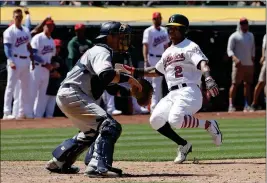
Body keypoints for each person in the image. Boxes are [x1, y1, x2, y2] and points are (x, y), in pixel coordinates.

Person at [120, 14, 222, 164]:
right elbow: (157, 70)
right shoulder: (167, 51)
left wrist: (208, 78)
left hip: (190, 91)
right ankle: (184, 145)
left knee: (175, 119)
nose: (171, 31)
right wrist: (135, 71)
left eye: (175, 28)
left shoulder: (190, 46)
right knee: (155, 120)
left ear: (184, 30)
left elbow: (202, 63)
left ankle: (209, 124)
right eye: (169, 28)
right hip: (172, 93)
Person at [45, 21, 142, 176]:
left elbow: (109, 86)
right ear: (109, 37)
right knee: (110, 125)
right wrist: (129, 79)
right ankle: (97, 166)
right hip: (73, 93)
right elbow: (106, 75)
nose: (123, 40)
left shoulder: (99, 51)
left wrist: (130, 93)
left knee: (91, 132)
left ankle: (59, 162)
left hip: (68, 94)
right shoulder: (102, 51)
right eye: (120, 36)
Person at [2, 8, 32, 120]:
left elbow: (29, 46)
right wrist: (10, 61)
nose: (18, 18)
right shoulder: (9, 31)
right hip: (15, 60)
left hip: (25, 60)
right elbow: (7, 48)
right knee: (10, 87)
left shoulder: (25, 30)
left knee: (25, 88)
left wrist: (32, 60)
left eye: (20, 17)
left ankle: (22, 112)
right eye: (16, 17)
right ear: (13, 18)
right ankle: (6, 112)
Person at [142, 12, 169, 113]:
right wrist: (145, 59)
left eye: (158, 18)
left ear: (160, 19)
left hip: (161, 59)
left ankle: (154, 106)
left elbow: (166, 46)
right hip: (151, 57)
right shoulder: (148, 31)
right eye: (155, 18)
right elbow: (145, 46)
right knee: (146, 83)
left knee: (157, 83)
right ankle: (145, 105)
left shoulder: (164, 30)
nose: (156, 20)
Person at [227, 17, 255, 112]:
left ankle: (247, 105)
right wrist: (235, 59)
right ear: (240, 24)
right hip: (238, 65)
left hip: (248, 64)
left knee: (247, 84)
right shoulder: (234, 36)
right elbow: (229, 50)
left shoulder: (251, 35)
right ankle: (231, 105)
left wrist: (252, 59)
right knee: (234, 84)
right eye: (243, 23)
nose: (245, 25)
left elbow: (253, 49)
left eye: (246, 23)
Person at [29, 19, 56, 118]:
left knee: (42, 94)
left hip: (46, 70)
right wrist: (45, 63)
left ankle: (38, 116)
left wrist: (52, 64)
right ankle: (29, 114)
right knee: (32, 92)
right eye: (48, 25)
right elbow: (33, 54)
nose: (49, 27)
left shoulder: (51, 40)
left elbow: (51, 56)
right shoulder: (38, 38)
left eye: (51, 26)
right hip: (36, 68)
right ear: (43, 26)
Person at [44, 39, 68, 118]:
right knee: (40, 111)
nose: (57, 49)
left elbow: (65, 72)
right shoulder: (47, 57)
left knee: (50, 113)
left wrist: (59, 75)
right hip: (44, 88)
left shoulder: (59, 59)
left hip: (54, 88)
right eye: (56, 47)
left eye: (58, 47)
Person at [250, 34, 266, 111]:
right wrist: (263, 56)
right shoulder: (265, 36)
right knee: (260, 82)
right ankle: (254, 103)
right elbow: (263, 47)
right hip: (266, 62)